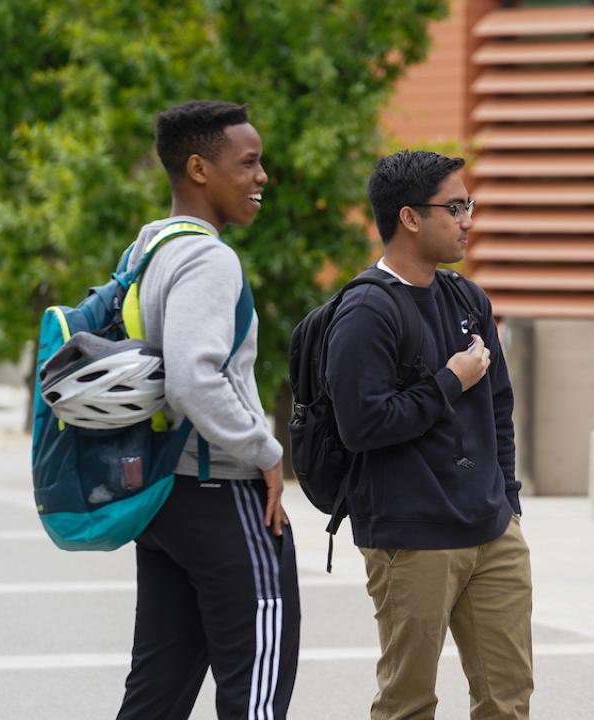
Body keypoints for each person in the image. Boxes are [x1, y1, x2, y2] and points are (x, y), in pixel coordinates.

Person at [325, 150, 531, 720]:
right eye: (456, 207)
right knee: (408, 704)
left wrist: (507, 502)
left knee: (507, 701)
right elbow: (362, 425)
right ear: (410, 218)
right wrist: (447, 382)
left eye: (470, 205)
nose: (468, 219)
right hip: (411, 537)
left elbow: (499, 406)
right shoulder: (367, 311)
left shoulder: (467, 298)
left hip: (491, 531)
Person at [116, 101, 299, 719]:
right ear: (199, 168)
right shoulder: (208, 257)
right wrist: (266, 452)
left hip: (166, 496)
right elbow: (196, 381)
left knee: (154, 696)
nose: (261, 177)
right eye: (247, 163)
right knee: (257, 694)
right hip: (222, 491)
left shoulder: (148, 248)